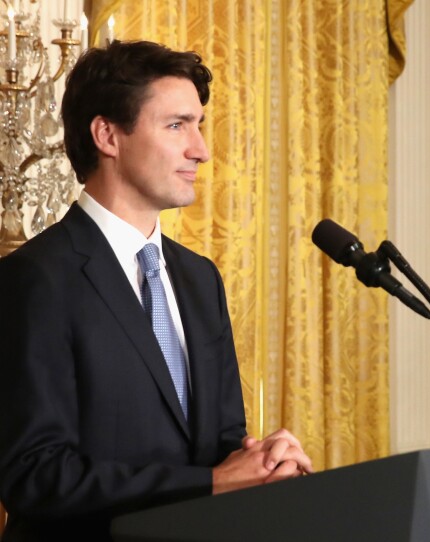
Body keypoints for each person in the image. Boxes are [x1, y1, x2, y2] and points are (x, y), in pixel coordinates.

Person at [0, 40, 312, 541]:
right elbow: (36, 476)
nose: (201, 150)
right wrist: (212, 482)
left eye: (199, 126)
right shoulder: (36, 277)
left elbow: (222, 445)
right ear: (107, 135)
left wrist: (262, 462)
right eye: (176, 125)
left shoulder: (200, 278)